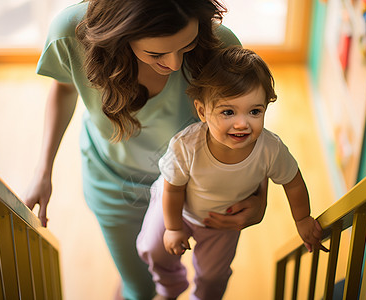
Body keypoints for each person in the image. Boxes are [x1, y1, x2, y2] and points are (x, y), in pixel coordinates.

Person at [23, 1, 269, 299]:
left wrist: (260, 196)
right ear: (118, 34)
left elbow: (242, 123)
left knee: (209, 276)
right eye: (157, 54)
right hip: (113, 181)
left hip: (196, 183)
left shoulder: (221, 45)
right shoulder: (69, 34)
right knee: (138, 287)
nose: (176, 64)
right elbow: (64, 88)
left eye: (187, 46)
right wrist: (43, 170)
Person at [137, 46, 327, 300]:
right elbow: (173, 188)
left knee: (213, 275)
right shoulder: (187, 145)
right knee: (152, 248)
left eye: (254, 111)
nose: (242, 123)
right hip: (175, 208)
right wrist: (172, 228)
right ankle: (169, 287)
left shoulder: (270, 149)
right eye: (228, 112)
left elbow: (293, 183)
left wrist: (302, 219)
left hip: (220, 222)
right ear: (202, 111)